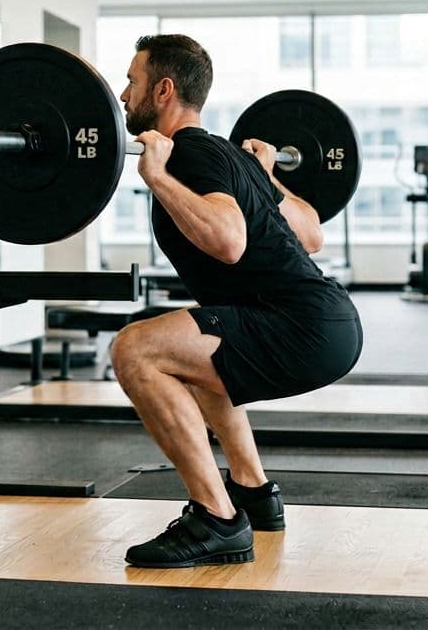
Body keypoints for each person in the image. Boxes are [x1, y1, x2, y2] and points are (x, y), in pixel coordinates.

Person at [111, 34, 363, 568]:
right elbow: (311, 233)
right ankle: (252, 492)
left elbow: (228, 241)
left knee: (135, 350)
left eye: (131, 82)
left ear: (163, 89)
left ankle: (217, 520)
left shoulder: (190, 156)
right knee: (196, 357)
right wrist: (266, 176)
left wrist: (157, 176)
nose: (122, 93)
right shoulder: (228, 153)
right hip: (324, 320)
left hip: (300, 327)